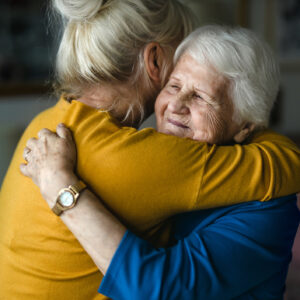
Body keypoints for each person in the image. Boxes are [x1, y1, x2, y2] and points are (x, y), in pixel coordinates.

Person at [0, 0, 299, 297]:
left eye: (200, 97)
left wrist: (60, 187)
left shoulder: (44, 124)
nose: (176, 106)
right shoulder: (140, 158)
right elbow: (285, 164)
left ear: (246, 125)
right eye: (173, 84)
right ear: (155, 61)